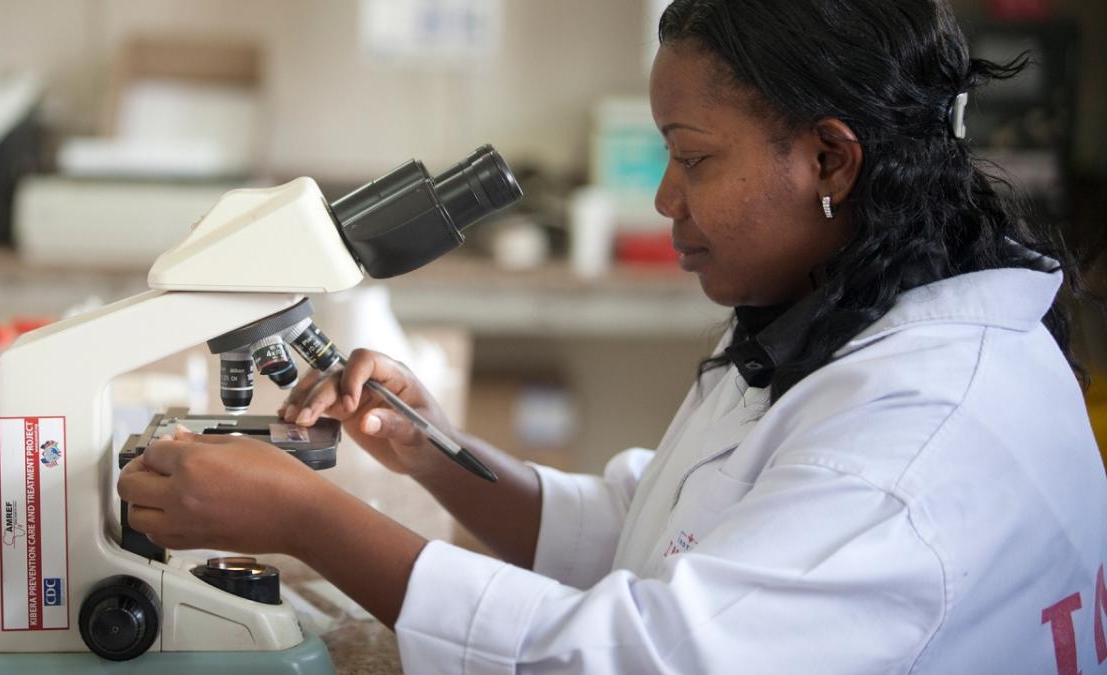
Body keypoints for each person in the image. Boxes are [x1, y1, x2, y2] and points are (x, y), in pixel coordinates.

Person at [118, 0, 1106, 672]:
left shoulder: (915, 444)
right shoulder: (845, 318)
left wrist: (309, 521)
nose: (666, 195)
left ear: (829, 158)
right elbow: (650, 536)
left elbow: (639, 655)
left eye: (693, 157)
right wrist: (433, 456)